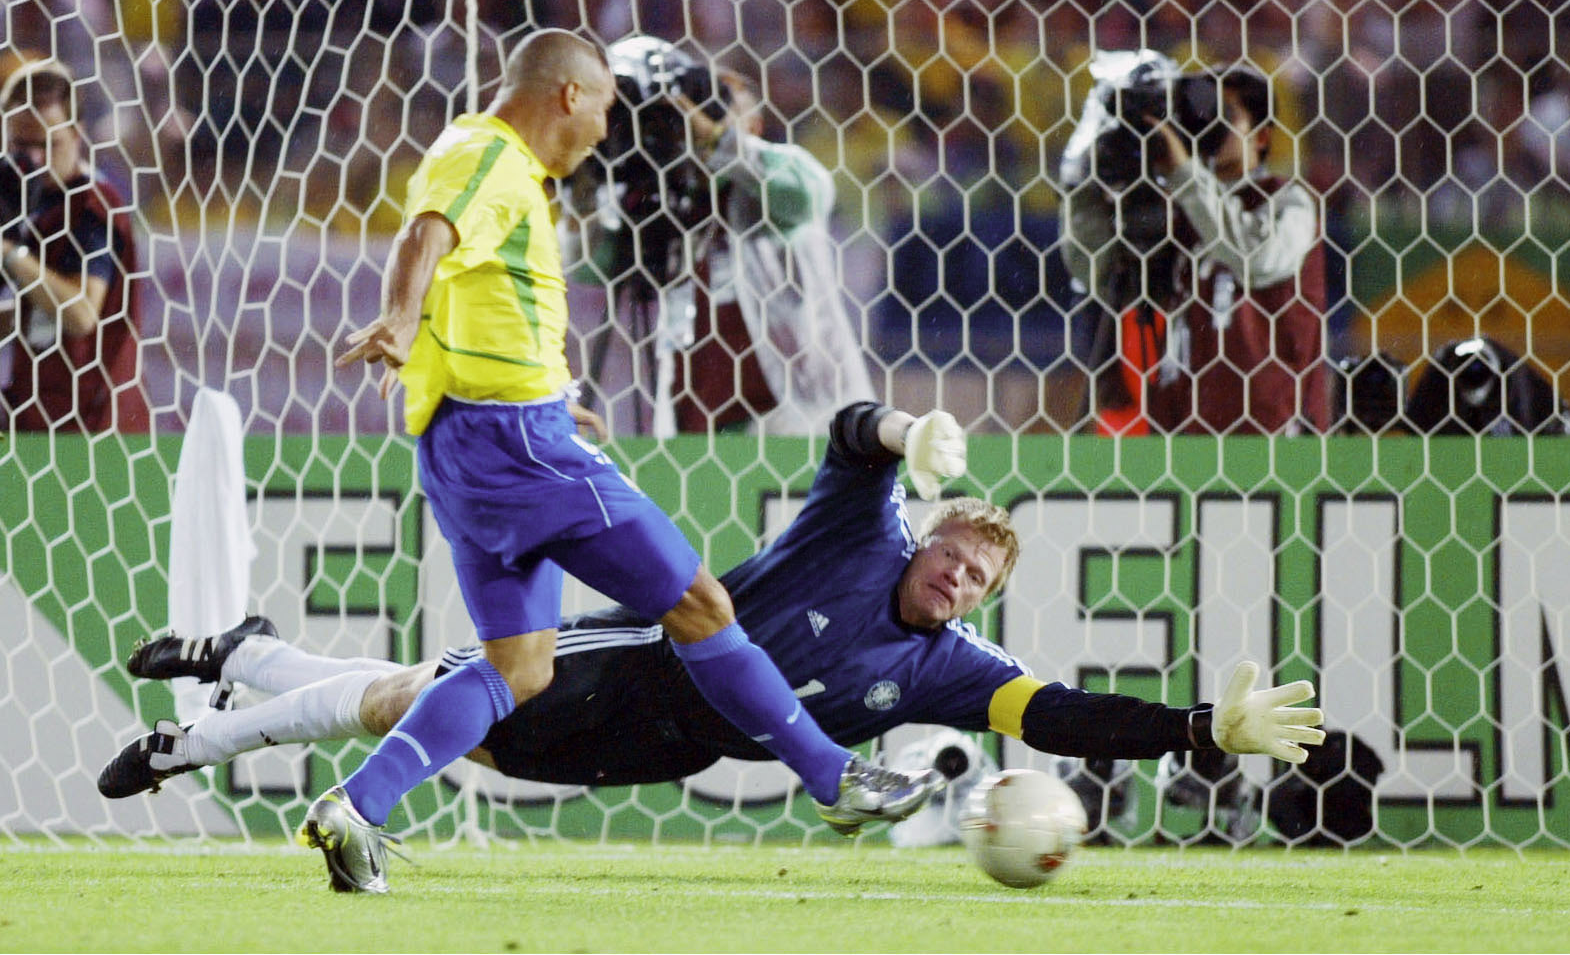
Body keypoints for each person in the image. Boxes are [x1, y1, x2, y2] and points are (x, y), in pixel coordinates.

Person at [101, 403, 1326, 851]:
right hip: (638, 652)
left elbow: (1055, 711)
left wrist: (1193, 723)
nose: (951, 582)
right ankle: (190, 744)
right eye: (951, 556)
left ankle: (240, 652)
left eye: (972, 583)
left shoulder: (953, 667)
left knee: (433, 715)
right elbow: (852, 440)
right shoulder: (864, 532)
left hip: (666, 744)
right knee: (407, 706)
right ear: (932, 538)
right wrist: (904, 434)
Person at [324, 30, 949, 894]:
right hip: (521, 449)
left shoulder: (512, 180)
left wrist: (550, 389)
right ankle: (834, 778)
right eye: (607, 106)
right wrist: (396, 316)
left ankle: (357, 805)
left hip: (475, 445)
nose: (611, 126)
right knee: (699, 604)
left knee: (520, 668)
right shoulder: (487, 156)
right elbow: (426, 237)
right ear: (569, 95)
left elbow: (473, 298)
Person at [1062, 59, 1329, 436]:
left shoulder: (1288, 201)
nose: (1210, 124)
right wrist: (1084, 184)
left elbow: (1259, 258)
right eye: (1203, 112)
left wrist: (1185, 174)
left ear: (1262, 136)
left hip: (1271, 442)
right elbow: (1095, 273)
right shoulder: (1177, 212)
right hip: (1181, 440)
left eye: (1226, 114)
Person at [672, 67, 877, 435]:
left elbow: (812, 192)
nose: (700, 121)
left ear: (753, 126)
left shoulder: (782, 173)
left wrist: (720, 141)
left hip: (793, 413)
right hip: (698, 420)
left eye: (719, 108)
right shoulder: (674, 200)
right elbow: (594, 269)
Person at [0, 59, 147, 432]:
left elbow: (81, 314)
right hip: (33, 416)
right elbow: (28, 315)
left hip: (94, 429)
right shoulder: (20, 203)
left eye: (49, 144)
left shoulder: (94, 209)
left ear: (78, 133)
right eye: (21, 144)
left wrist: (9, 254)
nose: (33, 159)